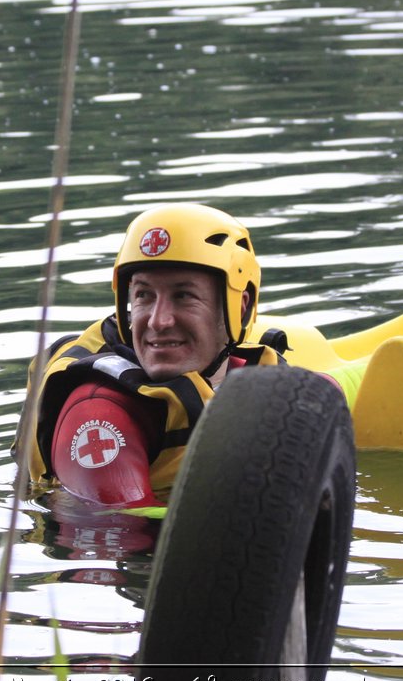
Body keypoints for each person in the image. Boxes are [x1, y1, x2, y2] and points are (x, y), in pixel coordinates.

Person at [18, 203, 299, 510]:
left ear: (238, 307)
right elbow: (118, 535)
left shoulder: (261, 376)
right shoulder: (98, 414)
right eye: (143, 295)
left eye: (183, 296)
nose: (157, 321)